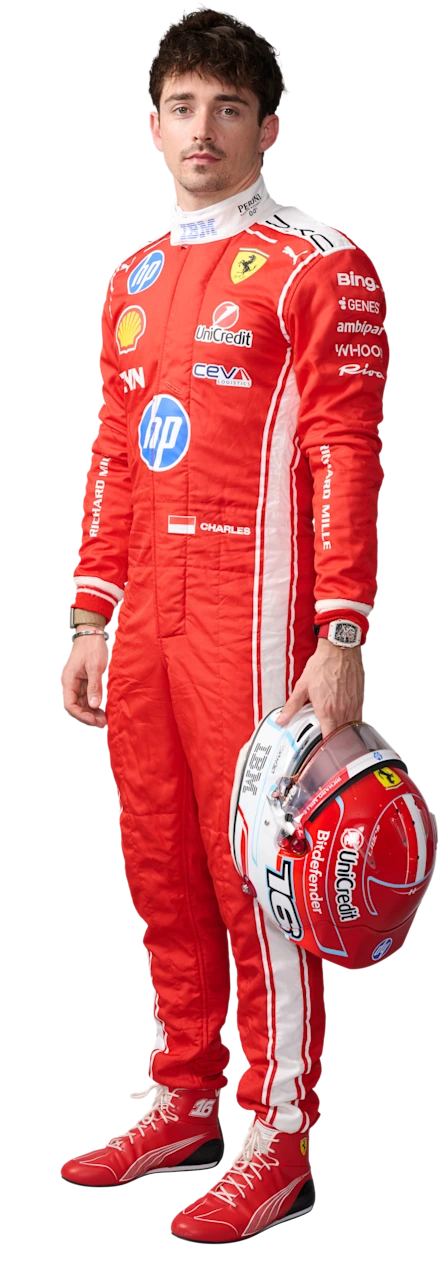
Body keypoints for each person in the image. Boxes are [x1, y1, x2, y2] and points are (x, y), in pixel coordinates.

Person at [59, 6, 390, 1240]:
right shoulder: (132, 279)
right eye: (183, 106)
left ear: (267, 128)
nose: (203, 129)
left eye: (229, 108)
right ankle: (183, 1095)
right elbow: (113, 459)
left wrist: (341, 630)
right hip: (146, 607)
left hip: (255, 607)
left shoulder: (318, 265)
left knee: (260, 866)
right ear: (152, 122)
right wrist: (91, 615)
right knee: (159, 859)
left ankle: (279, 1132)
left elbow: (344, 450)